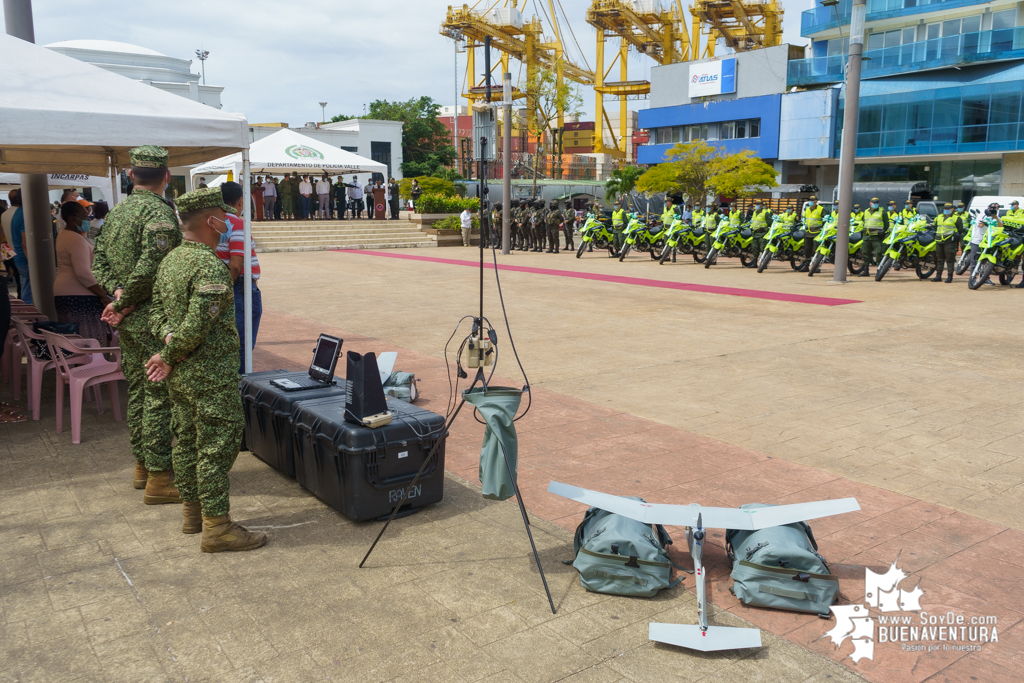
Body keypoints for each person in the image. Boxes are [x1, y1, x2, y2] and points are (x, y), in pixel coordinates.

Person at [145, 187, 266, 553]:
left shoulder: (170, 261)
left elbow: (155, 314)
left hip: (181, 376)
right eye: (224, 218)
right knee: (216, 446)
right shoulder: (209, 264)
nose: (227, 224)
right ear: (214, 221)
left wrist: (168, 344)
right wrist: (171, 353)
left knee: (187, 442)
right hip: (209, 373)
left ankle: (192, 514)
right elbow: (200, 322)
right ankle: (218, 528)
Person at [92, 145, 180, 501]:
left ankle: (143, 466)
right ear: (167, 176)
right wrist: (126, 302)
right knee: (158, 396)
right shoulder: (160, 215)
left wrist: (117, 297)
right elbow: (152, 266)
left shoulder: (116, 213)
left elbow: (97, 260)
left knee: (140, 393)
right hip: (151, 319)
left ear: (130, 175)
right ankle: (159, 477)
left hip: (126, 319)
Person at [217, 182, 263, 372]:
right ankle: (242, 386)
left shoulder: (216, 221)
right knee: (243, 342)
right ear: (240, 201)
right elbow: (235, 266)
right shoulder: (236, 223)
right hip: (240, 287)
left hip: (229, 285)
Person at [54, 201, 113, 344]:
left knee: (76, 339)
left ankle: (79, 365)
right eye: (84, 216)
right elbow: (83, 273)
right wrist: (102, 294)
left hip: (68, 294)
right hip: (79, 297)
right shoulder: (75, 239)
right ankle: (91, 366)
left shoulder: (65, 235)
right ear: (71, 218)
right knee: (89, 338)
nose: (88, 219)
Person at [969, 203, 1002, 287]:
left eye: (997, 208)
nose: (995, 210)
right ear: (988, 208)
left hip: (989, 242)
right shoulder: (981, 215)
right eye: (993, 208)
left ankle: (985, 279)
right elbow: (980, 225)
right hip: (978, 241)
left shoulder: (996, 217)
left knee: (987, 262)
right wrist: (986, 219)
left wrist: (995, 218)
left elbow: (1001, 226)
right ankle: (973, 278)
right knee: (974, 261)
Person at [8, 188, 31, 304]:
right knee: (29, 293)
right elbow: (25, 242)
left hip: (20, 256)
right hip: (25, 258)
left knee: (26, 288)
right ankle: (29, 317)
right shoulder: (24, 213)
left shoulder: (19, 212)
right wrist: (32, 262)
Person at [932, 203, 961, 283]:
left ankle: (949, 277)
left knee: (950, 259)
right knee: (939, 259)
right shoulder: (939, 217)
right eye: (945, 208)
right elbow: (935, 226)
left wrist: (957, 237)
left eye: (948, 209)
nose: (946, 210)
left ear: (952, 209)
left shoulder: (956, 218)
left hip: (949, 241)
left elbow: (960, 230)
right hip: (939, 240)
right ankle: (938, 276)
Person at [861, 197, 889, 277]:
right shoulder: (866, 211)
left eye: (877, 202)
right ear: (870, 203)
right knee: (865, 253)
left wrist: (882, 232)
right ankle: (866, 271)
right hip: (866, 236)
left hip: (877, 237)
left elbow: (886, 225)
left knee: (878, 254)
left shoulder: (882, 211)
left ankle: (879, 271)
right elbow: (864, 222)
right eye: (874, 202)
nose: (875, 204)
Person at [800, 196, 824, 271]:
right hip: (807, 233)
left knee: (817, 250)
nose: (811, 201)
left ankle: (817, 266)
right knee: (807, 250)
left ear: (816, 201)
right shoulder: (807, 209)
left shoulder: (821, 209)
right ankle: (806, 265)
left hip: (817, 233)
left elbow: (825, 220)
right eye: (810, 200)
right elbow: (804, 219)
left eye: (812, 200)